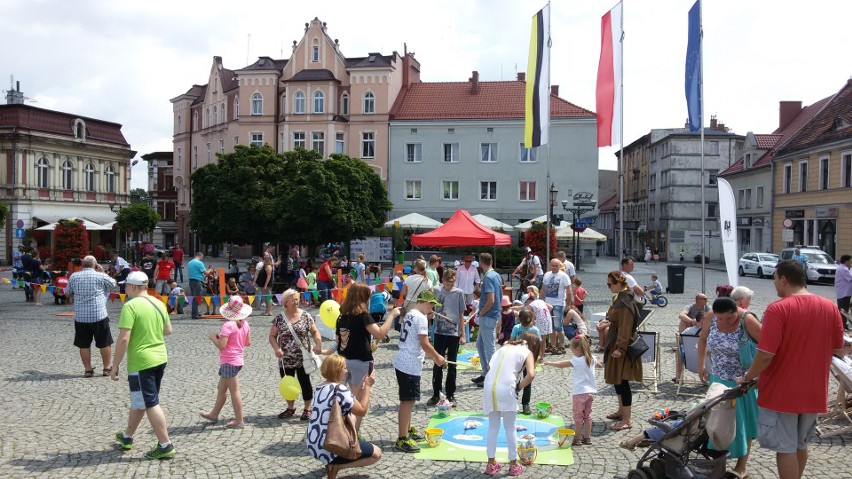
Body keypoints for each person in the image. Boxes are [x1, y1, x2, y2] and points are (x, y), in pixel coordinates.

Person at [737, 260, 844, 479]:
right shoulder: (830, 306)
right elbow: (838, 347)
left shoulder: (778, 308)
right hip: (814, 390)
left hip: (783, 391)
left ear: (784, 279)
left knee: (785, 448)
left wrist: (748, 376)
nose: (774, 284)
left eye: (775, 279)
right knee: (800, 444)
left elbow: (766, 354)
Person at [110, 271, 175, 460]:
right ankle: (127, 436)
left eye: (125, 286)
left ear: (132, 287)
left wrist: (115, 366)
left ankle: (165, 445)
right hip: (159, 357)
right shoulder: (158, 302)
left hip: (141, 360)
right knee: (142, 400)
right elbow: (168, 331)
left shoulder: (130, 306)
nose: (124, 289)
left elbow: (123, 339)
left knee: (150, 403)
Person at [696, 297, 761, 477]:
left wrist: (756, 375)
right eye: (720, 319)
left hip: (743, 381)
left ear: (736, 311)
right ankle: (719, 463)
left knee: (742, 423)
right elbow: (702, 340)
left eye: (729, 319)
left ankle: (742, 466)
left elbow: (768, 348)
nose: (724, 322)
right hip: (718, 378)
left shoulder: (747, 320)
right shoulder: (710, 316)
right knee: (716, 423)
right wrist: (701, 365)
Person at [306, 355, 381, 479]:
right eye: (344, 368)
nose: (346, 371)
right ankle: (336, 466)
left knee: (351, 417)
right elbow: (362, 410)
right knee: (376, 454)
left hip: (313, 442)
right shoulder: (340, 389)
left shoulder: (320, 387)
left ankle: (333, 464)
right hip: (330, 444)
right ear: (337, 370)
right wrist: (367, 387)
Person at [336, 283, 398, 432]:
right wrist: (392, 315)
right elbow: (380, 333)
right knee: (359, 403)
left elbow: (339, 339)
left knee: (351, 398)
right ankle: (352, 436)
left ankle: (347, 432)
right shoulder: (363, 315)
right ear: (363, 298)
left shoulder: (342, 315)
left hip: (345, 360)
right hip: (362, 361)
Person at [392, 289, 447, 453]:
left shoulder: (411, 313)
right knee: (407, 401)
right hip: (409, 364)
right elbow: (424, 343)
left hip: (404, 360)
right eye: (431, 305)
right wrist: (438, 358)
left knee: (410, 399)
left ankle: (407, 430)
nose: (432, 309)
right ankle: (402, 438)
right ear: (425, 302)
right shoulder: (421, 318)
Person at [481, 331, 539, 477]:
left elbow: (489, 366)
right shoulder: (527, 351)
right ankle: (513, 465)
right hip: (507, 387)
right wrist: (519, 387)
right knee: (510, 427)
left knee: (493, 426)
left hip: (489, 385)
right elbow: (531, 374)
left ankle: (491, 464)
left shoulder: (504, 347)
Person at [270, 289, 324, 421]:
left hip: (303, 358)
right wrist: (276, 349)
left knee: (305, 382)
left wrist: (318, 344)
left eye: (297, 299)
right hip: (285, 359)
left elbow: (315, 332)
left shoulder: (306, 316)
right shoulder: (279, 318)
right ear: (285, 302)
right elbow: (272, 336)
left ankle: (307, 409)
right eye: (293, 300)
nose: (296, 302)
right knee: (288, 383)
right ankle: (290, 408)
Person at [200, 296, 252, 428]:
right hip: (238, 360)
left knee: (235, 391)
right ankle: (214, 414)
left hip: (229, 361)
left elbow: (221, 345)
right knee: (221, 389)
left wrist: (213, 338)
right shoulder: (244, 323)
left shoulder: (228, 325)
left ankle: (239, 420)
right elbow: (248, 342)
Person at [601, 270, 642, 432]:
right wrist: (605, 324)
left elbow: (625, 327)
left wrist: (620, 348)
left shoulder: (626, 301)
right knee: (617, 380)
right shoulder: (619, 297)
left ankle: (627, 419)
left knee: (623, 382)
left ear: (619, 283)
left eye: (610, 284)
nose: (609, 287)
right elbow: (615, 320)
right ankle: (620, 411)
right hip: (615, 342)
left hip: (622, 346)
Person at [544, 335, 602, 446]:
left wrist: (549, 363)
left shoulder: (577, 360)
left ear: (578, 349)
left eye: (573, 350)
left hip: (579, 393)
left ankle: (578, 438)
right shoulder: (592, 358)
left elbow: (561, 365)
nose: (572, 353)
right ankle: (588, 438)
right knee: (588, 415)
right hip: (590, 392)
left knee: (578, 416)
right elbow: (599, 365)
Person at [66, 255, 117, 377]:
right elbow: (113, 284)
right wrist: (103, 272)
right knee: (105, 343)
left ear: (82, 265)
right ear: (95, 265)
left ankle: (88, 370)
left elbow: (67, 293)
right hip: (98, 314)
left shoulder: (74, 276)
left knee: (83, 344)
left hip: (81, 317)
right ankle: (106, 368)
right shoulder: (99, 276)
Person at [428, 269, 467, 406]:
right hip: (439, 332)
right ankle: (436, 394)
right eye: (447, 283)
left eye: (452, 284)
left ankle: (450, 394)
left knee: (452, 364)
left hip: (453, 333)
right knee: (438, 362)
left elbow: (461, 314)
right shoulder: (436, 291)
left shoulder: (458, 293)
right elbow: (429, 307)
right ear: (442, 280)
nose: (449, 286)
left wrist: (463, 334)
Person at [472, 253, 503, 387]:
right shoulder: (495, 275)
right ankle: (486, 373)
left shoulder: (489, 277)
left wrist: (481, 313)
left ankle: (493, 376)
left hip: (488, 315)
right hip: (492, 314)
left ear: (481, 262)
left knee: (489, 348)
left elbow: (491, 299)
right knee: (480, 345)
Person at [510, 309, 541, 416]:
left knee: (527, 381)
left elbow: (539, 344)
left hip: (529, 359)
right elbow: (511, 341)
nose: (526, 326)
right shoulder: (516, 328)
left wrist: (539, 357)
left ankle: (525, 403)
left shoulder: (535, 330)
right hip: (518, 359)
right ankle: (513, 402)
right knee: (514, 379)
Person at [542, 259, 572, 354]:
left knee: (558, 326)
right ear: (550, 266)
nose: (554, 267)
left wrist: (568, 304)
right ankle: (552, 345)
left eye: (556, 265)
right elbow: (543, 288)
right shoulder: (546, 275)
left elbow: (569, 290)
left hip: (558, 304)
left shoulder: (564, 276)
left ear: (559, 266)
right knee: (551, 327)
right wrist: (539, 300)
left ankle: (562, 346)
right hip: (548, 304)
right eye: (552, 265)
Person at [187, 252, 207, 319]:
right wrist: (210, 270)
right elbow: (205, 272)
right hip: (197, 282)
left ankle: (195, 312)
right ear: (200, 256)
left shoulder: (190, 262)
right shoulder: (199, 263)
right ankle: (195, 314)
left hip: (191, 281)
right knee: (197, 298)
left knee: (194, 298)